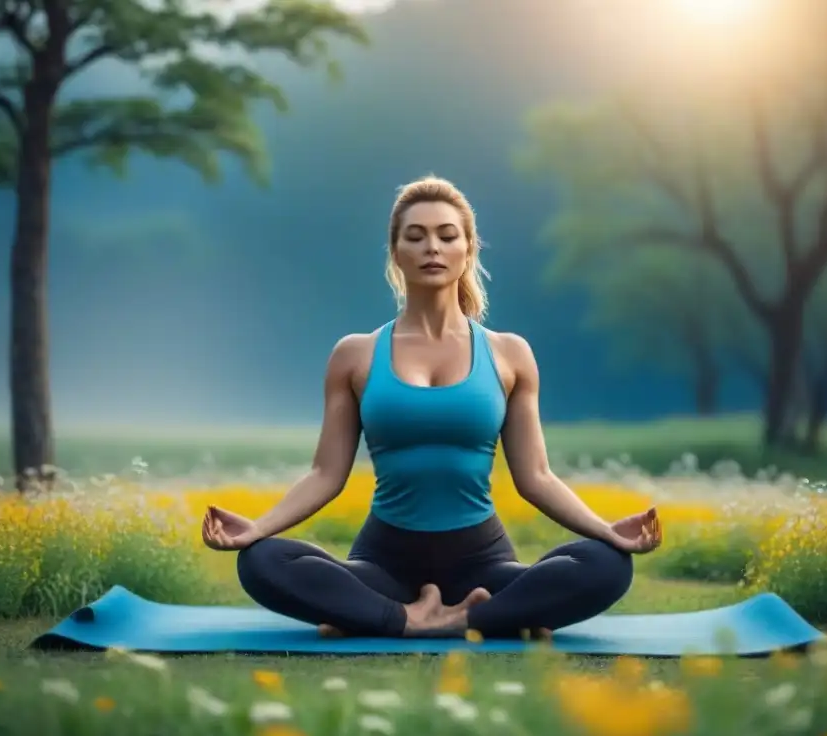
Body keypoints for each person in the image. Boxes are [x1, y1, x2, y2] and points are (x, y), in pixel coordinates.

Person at [201, 175, 663, 640]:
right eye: (415, 236)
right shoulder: (355, 354)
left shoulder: (509, 354)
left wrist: (606, 531)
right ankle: (417, 616)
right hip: (384, 565)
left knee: (607, 565)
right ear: (396, 252)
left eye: (447, 235)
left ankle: (443, 617)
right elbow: (325, 474)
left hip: (482, 565)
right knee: (261, 561)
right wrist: (256, 529)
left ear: (468, 249)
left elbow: (536, 478)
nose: (432, 248)